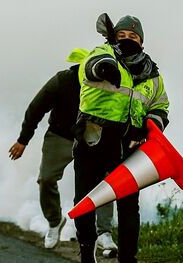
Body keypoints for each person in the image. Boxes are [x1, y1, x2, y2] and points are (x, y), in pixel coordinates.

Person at [71, 14, 169, 263]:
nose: (127, 40)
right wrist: (105, 68)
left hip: (129, 147)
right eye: (122, 36)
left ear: (142, 42)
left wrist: (149, 127)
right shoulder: (103, 52)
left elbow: (161, 107)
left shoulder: (153, 75)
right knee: (85, 200)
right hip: (93, 138)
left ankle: (128, 258)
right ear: (114, 38)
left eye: (133, 37)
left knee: (128, 206)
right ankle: (86, 252)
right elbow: (92, 65)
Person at [8, 64, 117, 250]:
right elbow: (36, 107)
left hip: (93, 138)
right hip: (60, 135)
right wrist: (23, 140)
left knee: (104, 181)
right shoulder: (63, 80)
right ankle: (55, 221)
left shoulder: (108, 82)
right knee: (46, 178)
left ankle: (104, 232)